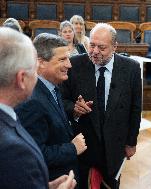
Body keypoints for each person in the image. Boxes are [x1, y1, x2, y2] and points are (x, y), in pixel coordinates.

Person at [60, 23, 142, 189]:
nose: (95, 51)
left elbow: (135, 108)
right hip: (84, 148)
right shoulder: (74, 65)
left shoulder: (131, 68)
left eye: (102, 47)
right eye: (92, 45)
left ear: (114, 47)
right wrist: (74, 109)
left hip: (115, 147)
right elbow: (61, 100)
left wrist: (131, 142)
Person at [0, 27, 76, 189]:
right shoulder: (9, 145)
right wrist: (72, 148)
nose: (69, 65)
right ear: (21, 78)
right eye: (31, 69)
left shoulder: (55, 88)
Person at [15, 33, 87, 183]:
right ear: (41, 62)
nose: (69, 64)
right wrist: (72, 148)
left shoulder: (52, 86)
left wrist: (74, 113)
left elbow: (53, 125)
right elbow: (34, 154)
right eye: (62, 59)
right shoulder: (31, 101)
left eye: (68, 58)